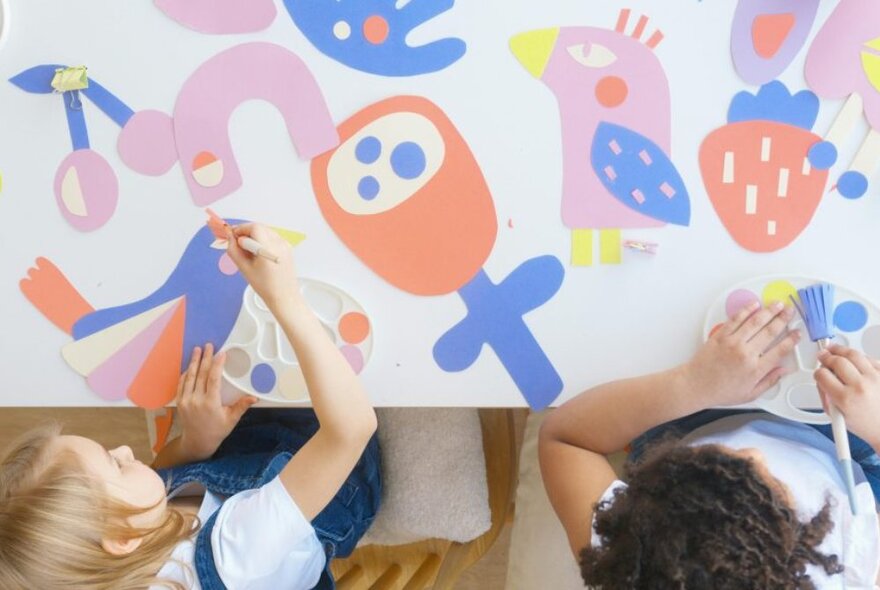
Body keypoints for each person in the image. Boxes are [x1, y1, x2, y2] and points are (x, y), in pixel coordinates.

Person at [0, 223, 380, 590]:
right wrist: (284, 299)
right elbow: (352, 430)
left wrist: (197, 442)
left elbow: (156, 480)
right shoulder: (239, 556)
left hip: (247, 467)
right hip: (332, 472)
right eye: (115, 463)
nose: (125, 449)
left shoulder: (123, 547)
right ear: (121, 538)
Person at [540, 300, 879, 588]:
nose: (754, 453)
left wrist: (691, 384)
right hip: (837, 453)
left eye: (727, 464)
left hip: (692, 419)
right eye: (771, 489)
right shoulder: (850, 570)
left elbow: (565, 439)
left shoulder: (634, 554)